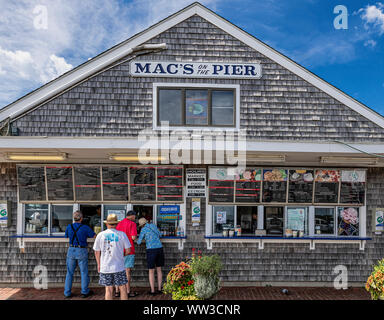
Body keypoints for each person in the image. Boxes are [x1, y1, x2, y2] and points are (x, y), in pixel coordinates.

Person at [93, 214, 131, 300]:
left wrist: (99, 264)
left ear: (107, 224)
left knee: (108, 289)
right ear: (116, 224)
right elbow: (128, 250)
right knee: (123, 288)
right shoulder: (122, 234)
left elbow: (96, 252)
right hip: (119, 266)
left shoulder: (100, 235)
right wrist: (121, 255)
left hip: (105, 267)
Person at [64, 211, 96, 299]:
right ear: (81, 218)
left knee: (69, 272)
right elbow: (94, 236)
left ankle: (67, 292)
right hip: (81, 249)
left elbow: (66, 236)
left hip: (71, 249)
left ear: (74, 218)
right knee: (84, 272)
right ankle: (84, 292)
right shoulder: (85, 227)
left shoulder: (69, 227)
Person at [137, 217, 164, 295]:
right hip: (159, 248)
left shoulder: (143, 230)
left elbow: (138, 242)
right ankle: (159, 289)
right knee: (159, 269)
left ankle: (152, 290)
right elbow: (160, 235)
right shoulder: (153, 226)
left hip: (151, 250)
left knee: (151, 271)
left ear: (141, 225)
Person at [115, 210, 139, 298]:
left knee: (118, 270)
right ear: (132, 216)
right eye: (135, 216)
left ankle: (117, 291)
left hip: (118, 250)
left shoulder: (119, 223)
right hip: (129, 249)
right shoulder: (132, 224)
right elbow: (133, 237)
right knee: (127, 271)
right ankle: (127, 291)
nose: (135, 218)